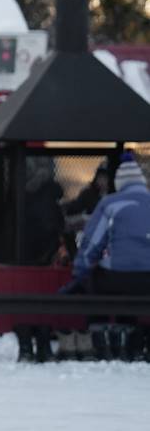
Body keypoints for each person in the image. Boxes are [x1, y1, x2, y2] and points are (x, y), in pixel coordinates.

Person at [62, 153, 150, 359]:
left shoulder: (111, 203)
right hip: (148, 279)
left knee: (96, 280)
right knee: (134, 289)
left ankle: (99, 336)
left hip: (117, 277)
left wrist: (79, 274)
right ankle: (130, 339)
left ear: (119, 182)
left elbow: (92, 244)